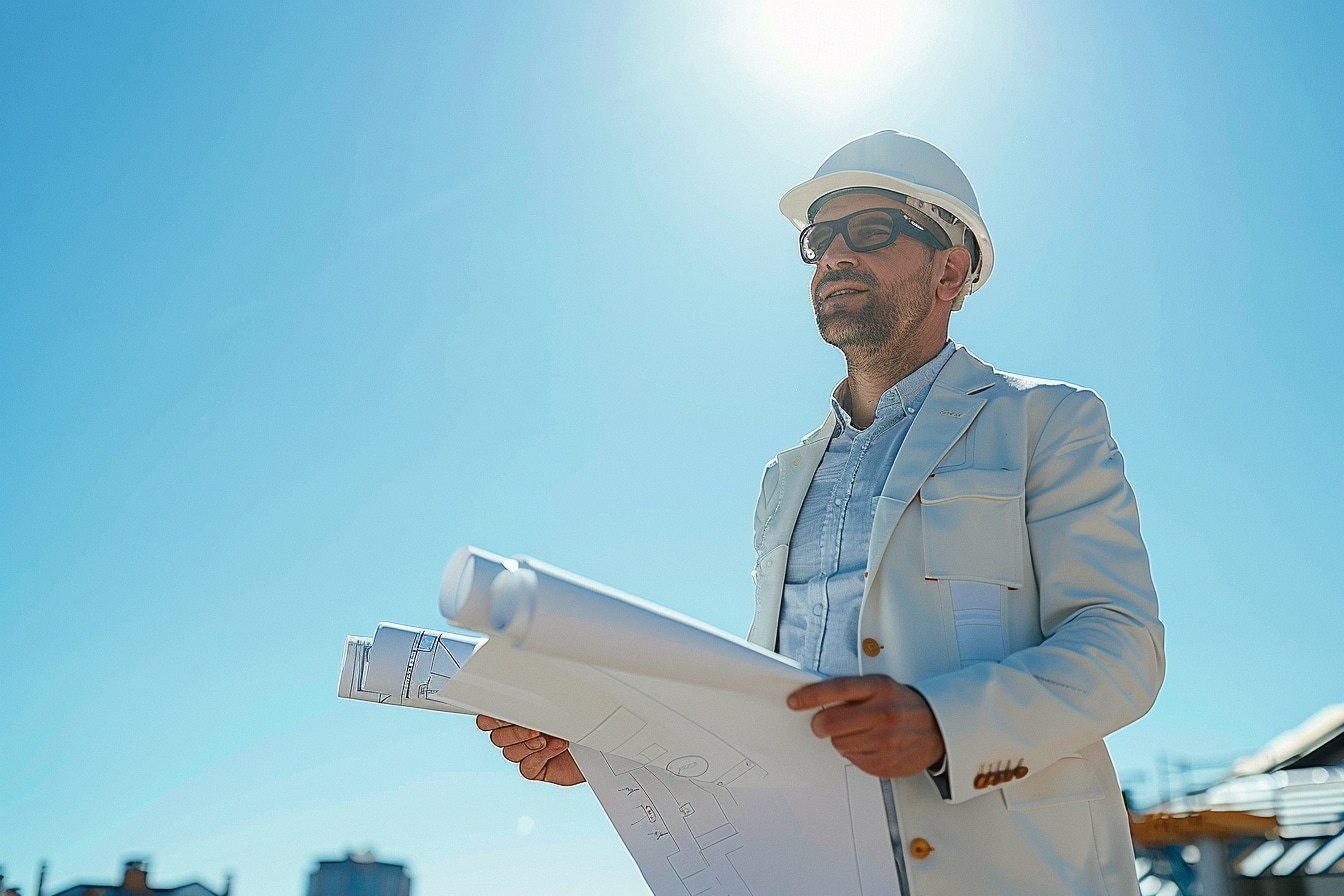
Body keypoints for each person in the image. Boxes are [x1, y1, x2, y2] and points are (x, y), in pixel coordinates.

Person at [477, 130, 1164, 896]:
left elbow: (1121, 650)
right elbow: (767, 701)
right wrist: (612, 746)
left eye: (870, 232)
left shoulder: (1047, 422)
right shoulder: (785, 477)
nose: (836, 255)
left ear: (951, 268)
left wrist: (943, 724)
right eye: (820, 239)